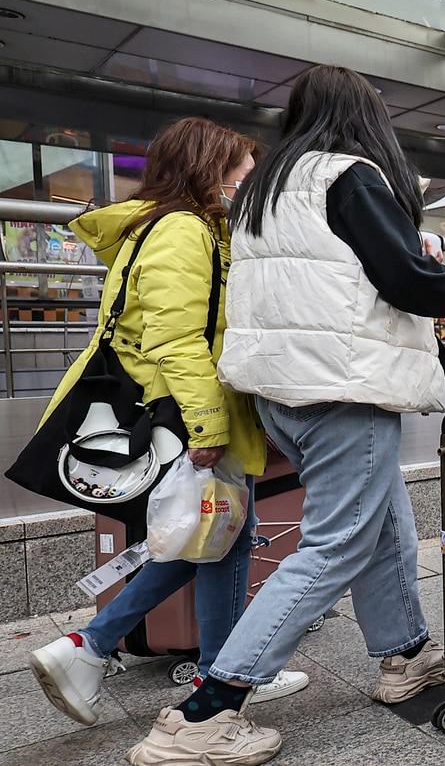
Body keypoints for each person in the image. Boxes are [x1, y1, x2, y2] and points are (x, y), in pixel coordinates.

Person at [121, 66, 445, 766]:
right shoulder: (348, 176)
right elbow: (407, 278)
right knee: (335, 544)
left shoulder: (264, 187)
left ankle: (404, 653)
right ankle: (204, 714)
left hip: (280, 393)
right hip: (342, 391)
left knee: (383, 523)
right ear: (362, 117)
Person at [26, 118, 310, 730]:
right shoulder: (181, 231)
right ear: (210, 168)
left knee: (211, 540)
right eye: (242, 169)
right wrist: (208, 427)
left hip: (185, 405)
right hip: (184, 409)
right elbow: (176, 336)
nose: (249, 180)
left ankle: (165, 658)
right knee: (220, 538)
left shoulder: (173, 228)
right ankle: (151, 658)